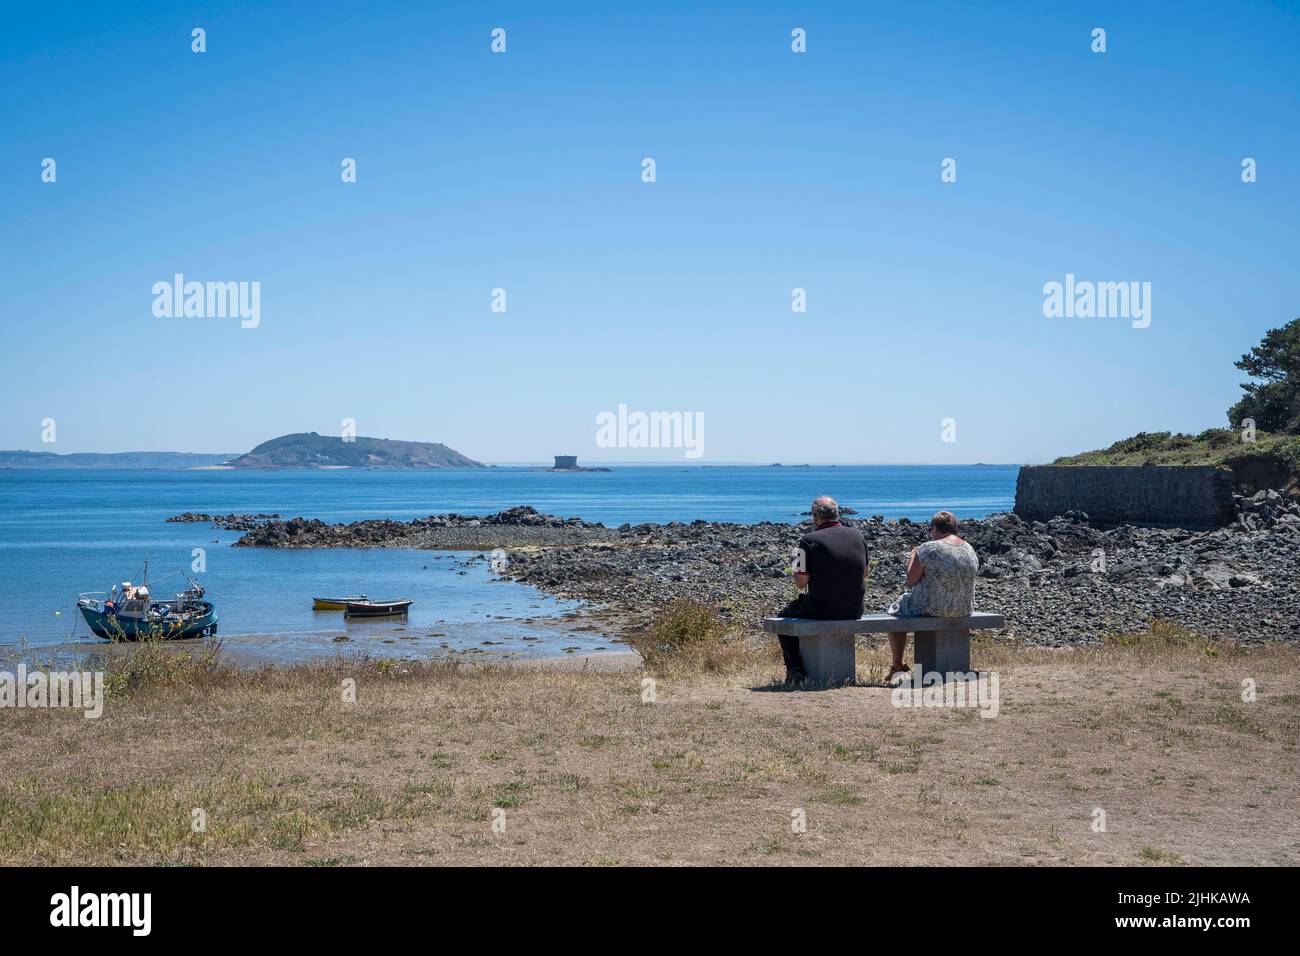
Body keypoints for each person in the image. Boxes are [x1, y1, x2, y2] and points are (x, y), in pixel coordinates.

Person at [775, 495, 869, 684]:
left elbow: (800, 583)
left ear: (815, 516)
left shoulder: (807, 541)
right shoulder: (858, 536)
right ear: (837, 514)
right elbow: (865, 573)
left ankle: (795, 669)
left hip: (821, 609)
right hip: (854, 609)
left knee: (783, 618)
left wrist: (795, 560)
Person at [885, 510, 978, 682]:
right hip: (964, 608)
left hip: (933, 607)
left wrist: (913, 556)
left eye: (930, 528)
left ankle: (897, 664)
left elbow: (911, 580)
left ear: (935, 529)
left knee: (896, 608)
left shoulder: (928, 548)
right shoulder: (969, 548)